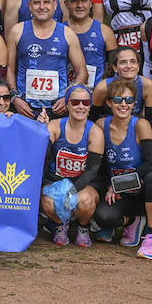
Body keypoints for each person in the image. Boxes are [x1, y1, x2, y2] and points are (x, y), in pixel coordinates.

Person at [95, 77, 152, 260]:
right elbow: (100, 165)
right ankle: (134, 219)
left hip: (148, 189)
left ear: (134, 104)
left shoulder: (141, 125)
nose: (123, 105)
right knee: (103, 217)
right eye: (118, 100)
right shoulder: (101, 125)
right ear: (109, 102)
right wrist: (110, 186)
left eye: (129, 100)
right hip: (122, 192)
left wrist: (119, 184)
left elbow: (151, 164)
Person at [7, 0, 86, 119]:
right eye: (37, 3)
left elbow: (82, 72)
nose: (42, 7)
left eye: (46, 2)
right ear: (30, 5)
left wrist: (68, 97)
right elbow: (9, 68)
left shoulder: (68, 34)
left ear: (55, 5)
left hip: (58, 107)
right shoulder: (17, 31)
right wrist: (15, 97)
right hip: (25, 107)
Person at [40, 84, 104, 248]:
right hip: (57, 180)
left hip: (84, 182)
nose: (81, 106)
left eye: (85, 102)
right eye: (75, 102)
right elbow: (42, 154)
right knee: (47, 201)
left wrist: (71, 191)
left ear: (90, 106)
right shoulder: (55, 126)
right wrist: (40, 130)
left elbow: (92, 170)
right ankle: (60, 224)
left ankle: (83, 227)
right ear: (67, 104)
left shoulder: (95, 132)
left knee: (84, 200)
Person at [65, 0, 115, 91]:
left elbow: (113, 68)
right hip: (65, 95)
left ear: (91, 3)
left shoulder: (105, 31)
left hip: (96, 95)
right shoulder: (60, 31)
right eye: (74, 1)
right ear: (66, 4)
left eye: (84, 0)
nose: (79, 5)